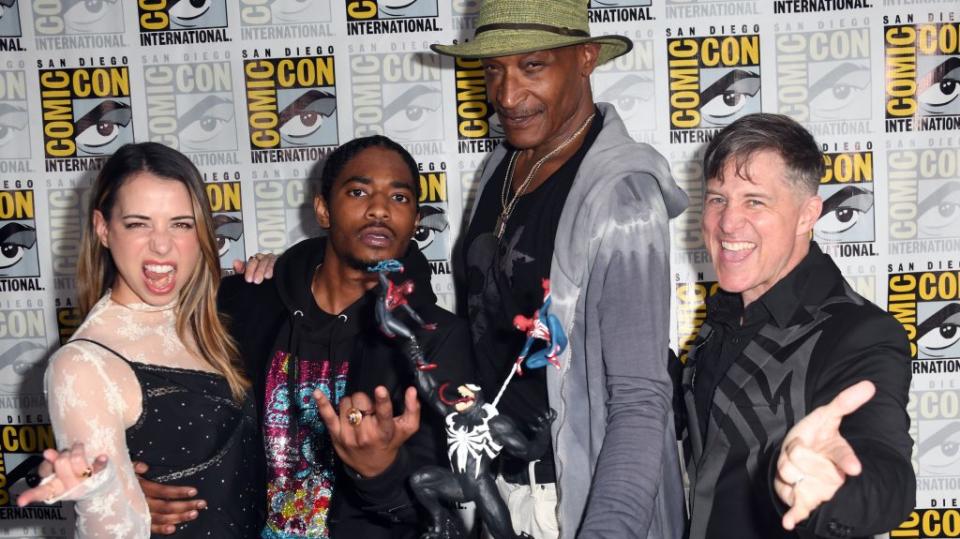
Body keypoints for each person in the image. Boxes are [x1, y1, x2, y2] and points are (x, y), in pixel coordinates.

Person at [431, 0, 688, 537]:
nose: (506, 95)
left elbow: (641, 398)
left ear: (586, 58)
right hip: (499, 490)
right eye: (494, 69)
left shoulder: (623, 197)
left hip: (576, 499)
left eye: (533, 66)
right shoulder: (507, 161)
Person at [216, 135, 474, 538]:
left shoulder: (437, 339)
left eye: (400, 198)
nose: (379, 209)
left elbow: (438, 511)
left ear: (416, 220)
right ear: (323, 209)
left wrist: (380, 473)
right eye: (358, 191)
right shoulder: (245, 304)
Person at [679, 113, 915, 538]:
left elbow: (887, 470)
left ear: (808, 215)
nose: (728, 222)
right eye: (717, 199)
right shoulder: (723, 318)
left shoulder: (858, 333)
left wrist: (835, 488)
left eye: (755, 201)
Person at [16, 142, 264, 537]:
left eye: (181, 224)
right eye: (138, 223)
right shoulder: (83, 364)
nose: (162, 244)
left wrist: (286, 269)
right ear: (102, 229)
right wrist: (101, 488)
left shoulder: (217, 321)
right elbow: (112, 528)